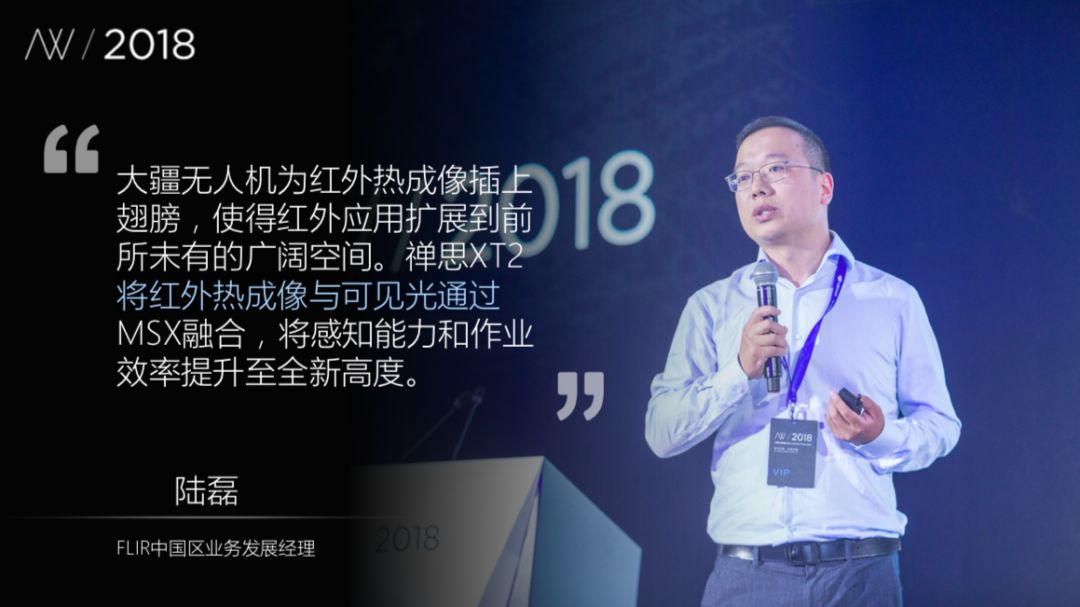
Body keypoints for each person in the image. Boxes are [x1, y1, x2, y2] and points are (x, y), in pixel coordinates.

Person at [645, 116, 961, 606]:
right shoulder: (711, 306)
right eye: (742, 177)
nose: (756, 188)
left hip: (860, 572)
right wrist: (737, 372)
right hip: (747, 576)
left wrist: (879, 436)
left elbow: (940, 426)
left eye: (775, 168)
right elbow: (662, 432)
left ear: (824, 187)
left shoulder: (891, 299)